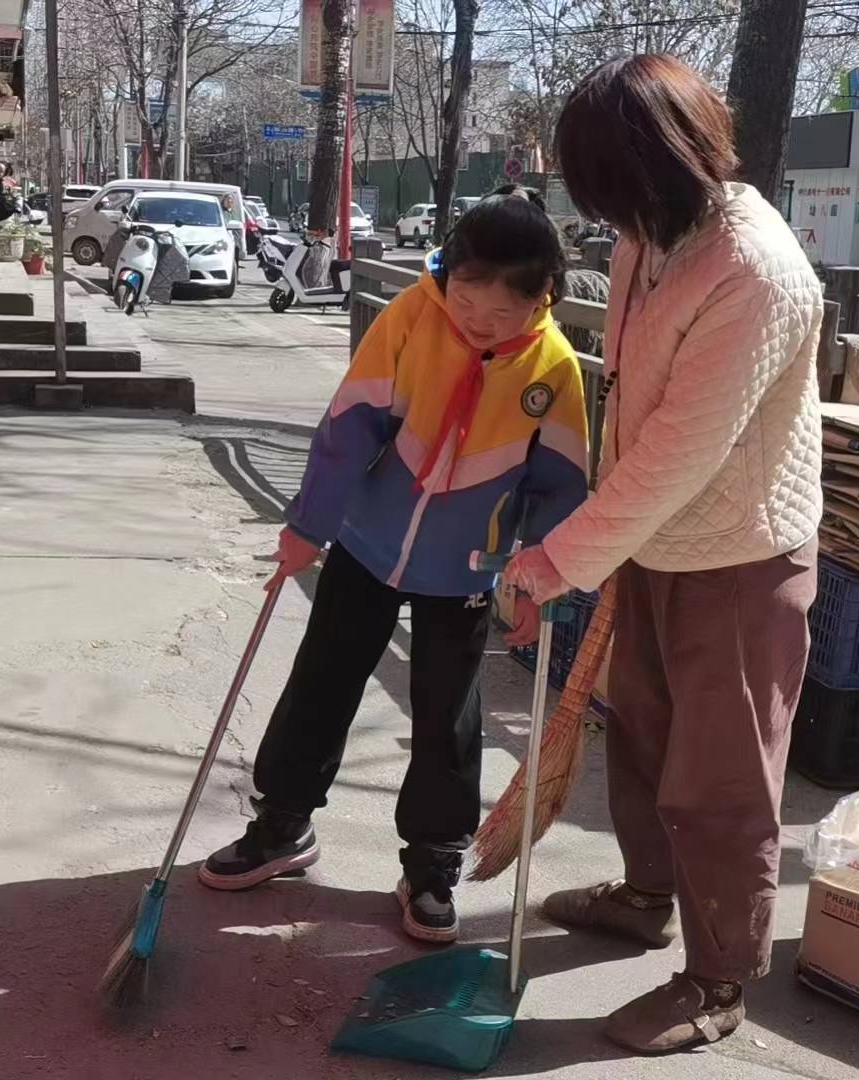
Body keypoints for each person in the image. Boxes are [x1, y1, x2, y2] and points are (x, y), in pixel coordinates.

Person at [501, 54, 824, 1054]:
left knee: (721, 780)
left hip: (737, 554)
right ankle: (648, 896)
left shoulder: (756, 271)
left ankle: (719, 979)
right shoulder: (654, 234)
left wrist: (555, 560)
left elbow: (685, 451)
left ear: (667, 164)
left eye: (613, 192)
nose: (609, 220)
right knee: (639, 736)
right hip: (651, 543)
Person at [199, 188, 590, 944]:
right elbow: (349, 428)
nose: (479, 322)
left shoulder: (556, 369)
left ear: (544, 299)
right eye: (466, 300)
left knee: (447, 718)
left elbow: (561, 486)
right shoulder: (412, 317)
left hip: (467, 569)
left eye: (504, 314)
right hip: (366, 544)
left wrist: (540, 581)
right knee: (322, 680)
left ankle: (433, 863)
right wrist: (306, 528)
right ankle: (282, 823)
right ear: (448, 276)